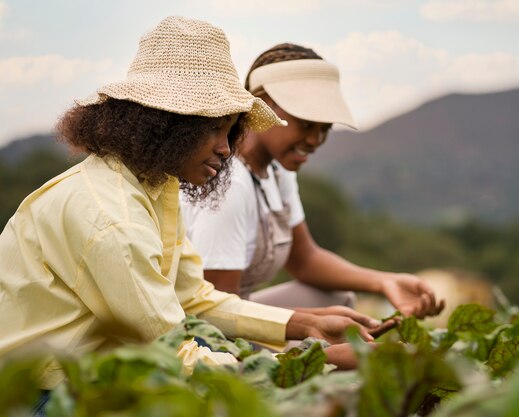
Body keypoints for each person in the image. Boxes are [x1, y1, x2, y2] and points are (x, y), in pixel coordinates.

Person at [0, 17, 373, 393]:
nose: (226, 148)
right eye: (212, 128)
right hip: (39, 394)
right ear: (164, 124)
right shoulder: (111, 218)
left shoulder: (155, 189)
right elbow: (176, 358)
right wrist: (314, 362)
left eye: (229, 130)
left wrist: (304, 324)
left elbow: (193, 299)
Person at [181, 43, 445, 319]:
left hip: (235, 314)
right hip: (203, 331)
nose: (315, 141)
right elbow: (217, 313)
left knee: (337, 298)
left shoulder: (277, 172)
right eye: (306, 124)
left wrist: (385, 282)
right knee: (332, 326)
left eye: (325, 129)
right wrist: (312, 322)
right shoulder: (231, 186)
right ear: (265, 105)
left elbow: (304, 259)